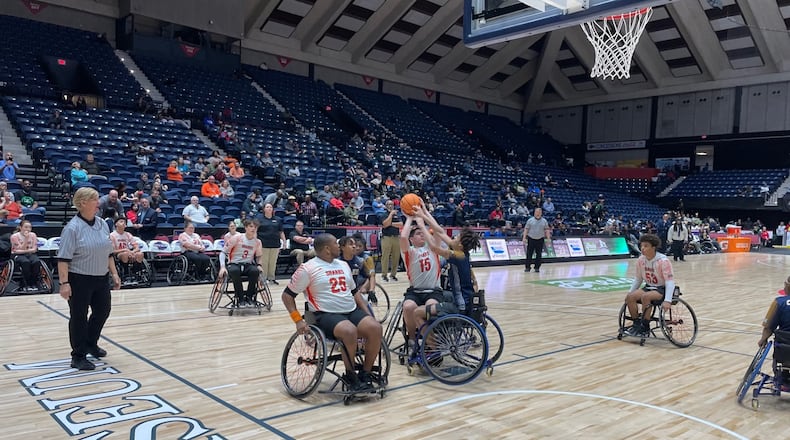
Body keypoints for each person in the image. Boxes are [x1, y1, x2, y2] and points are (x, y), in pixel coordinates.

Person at [281, 233, 383, 392]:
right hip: (324, 314)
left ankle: (365, 373)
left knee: (375, 327)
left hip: (350, 310)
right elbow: (287, 296)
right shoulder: (308, 268)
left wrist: (368, 314)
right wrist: (297, 320)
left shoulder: (343, 265)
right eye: (336, 244)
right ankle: (350, 375)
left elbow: (355, 292)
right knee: (349, 331)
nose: (339, 246)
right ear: (327, 249)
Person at [57, 187, 122, 371]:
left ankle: (91, 344)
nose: (99, 203)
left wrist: (114, 274)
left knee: (103, 311)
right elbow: (63, 259)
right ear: (83, 203)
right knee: (79, 317)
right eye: (95, 199)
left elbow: (108, 253)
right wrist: (64, 283)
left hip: (101, 278)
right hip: (79, 279)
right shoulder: (72, 228)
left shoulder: (102, 223)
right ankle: (78, 356)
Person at [399, 213, 444, 354]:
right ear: (412, 239)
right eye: (418, 234)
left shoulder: (433, 248)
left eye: (423, 233)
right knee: (408, 306)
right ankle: (412, 339)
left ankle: (430, 340)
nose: (422, 235)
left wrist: (422, 221)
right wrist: (409, 219)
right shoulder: (409, 252)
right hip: (415, 291)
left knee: (430, 306)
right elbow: (403, 237)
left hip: (433, 290)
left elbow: (437, 231)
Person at [623, 233, 675, 338]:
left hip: (661, 289)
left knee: (645, 297)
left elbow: (670, 282)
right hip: (648, 286)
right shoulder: (641, 260)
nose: (642, 248)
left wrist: (668, 300)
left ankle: (645, 326)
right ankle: (636, 324)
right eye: (641, 246)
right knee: (630, 297)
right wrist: (630, 292)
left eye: (646, 246)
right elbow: (638, 278)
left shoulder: (663, 261)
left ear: (653, 247)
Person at [219, 219, 264, 307]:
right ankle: (240, 298)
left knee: (255, 271)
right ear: (246, 227)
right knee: (235, 271)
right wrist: (222, 267)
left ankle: (249, 297)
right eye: (251, 226)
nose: (253, 229)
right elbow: (223, 252)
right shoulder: (237, 238)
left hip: (247, 264)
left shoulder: (257, 242)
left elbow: (259, 256)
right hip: (234, 264)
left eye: (255, 227)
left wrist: (259, 265)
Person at [257, 203, 286, 285]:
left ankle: (271, 278)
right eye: (267, 207)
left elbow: (281, 232)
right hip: (264, 244)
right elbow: (255, 231)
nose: (269, 208)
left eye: (271, 207)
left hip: (275, 244)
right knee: (264, 263)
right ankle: (263, 278)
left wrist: (284, 242)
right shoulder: (260, 219)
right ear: (264, 209)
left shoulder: (278, 219)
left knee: (273, 263)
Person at [10, 220, 43, 291]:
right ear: (20, 227)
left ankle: (34, 283)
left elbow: (34, 249)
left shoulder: (33, 235)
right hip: (18, 255)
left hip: (30, 254)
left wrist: (26, 251)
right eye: (26, 227)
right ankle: (25, 284)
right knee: (26, 262)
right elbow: (19, 249)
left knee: (36, 262)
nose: (28, 229)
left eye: (29, 227)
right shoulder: (14, 236)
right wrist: (26, 238)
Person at [379, 199, 402, 282]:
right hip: (386, 237)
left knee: (396, 257)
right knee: (385, 257)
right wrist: (391, 215)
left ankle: (393, 275)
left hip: (396, 237)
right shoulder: (383, 214)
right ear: (385, 206)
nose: (390, 205)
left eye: (391, 204)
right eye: (388, 204)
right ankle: (384, 275)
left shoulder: (397, 215)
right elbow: (385, 224)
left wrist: (391, 224)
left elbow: (401, 224)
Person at [522, 207, 551, 272]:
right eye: (536, 212)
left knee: (539, 254)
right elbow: (526, 229)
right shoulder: (530, 220)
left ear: (541, 213)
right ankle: (527, 267)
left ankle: (537, 267)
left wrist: (548, 238)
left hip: (540, 239)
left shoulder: (544, 221)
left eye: (539, 212)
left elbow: (547, 230)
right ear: (534, 213)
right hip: (531, 239)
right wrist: (524, 237)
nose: (537, 213)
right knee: (529, 254)